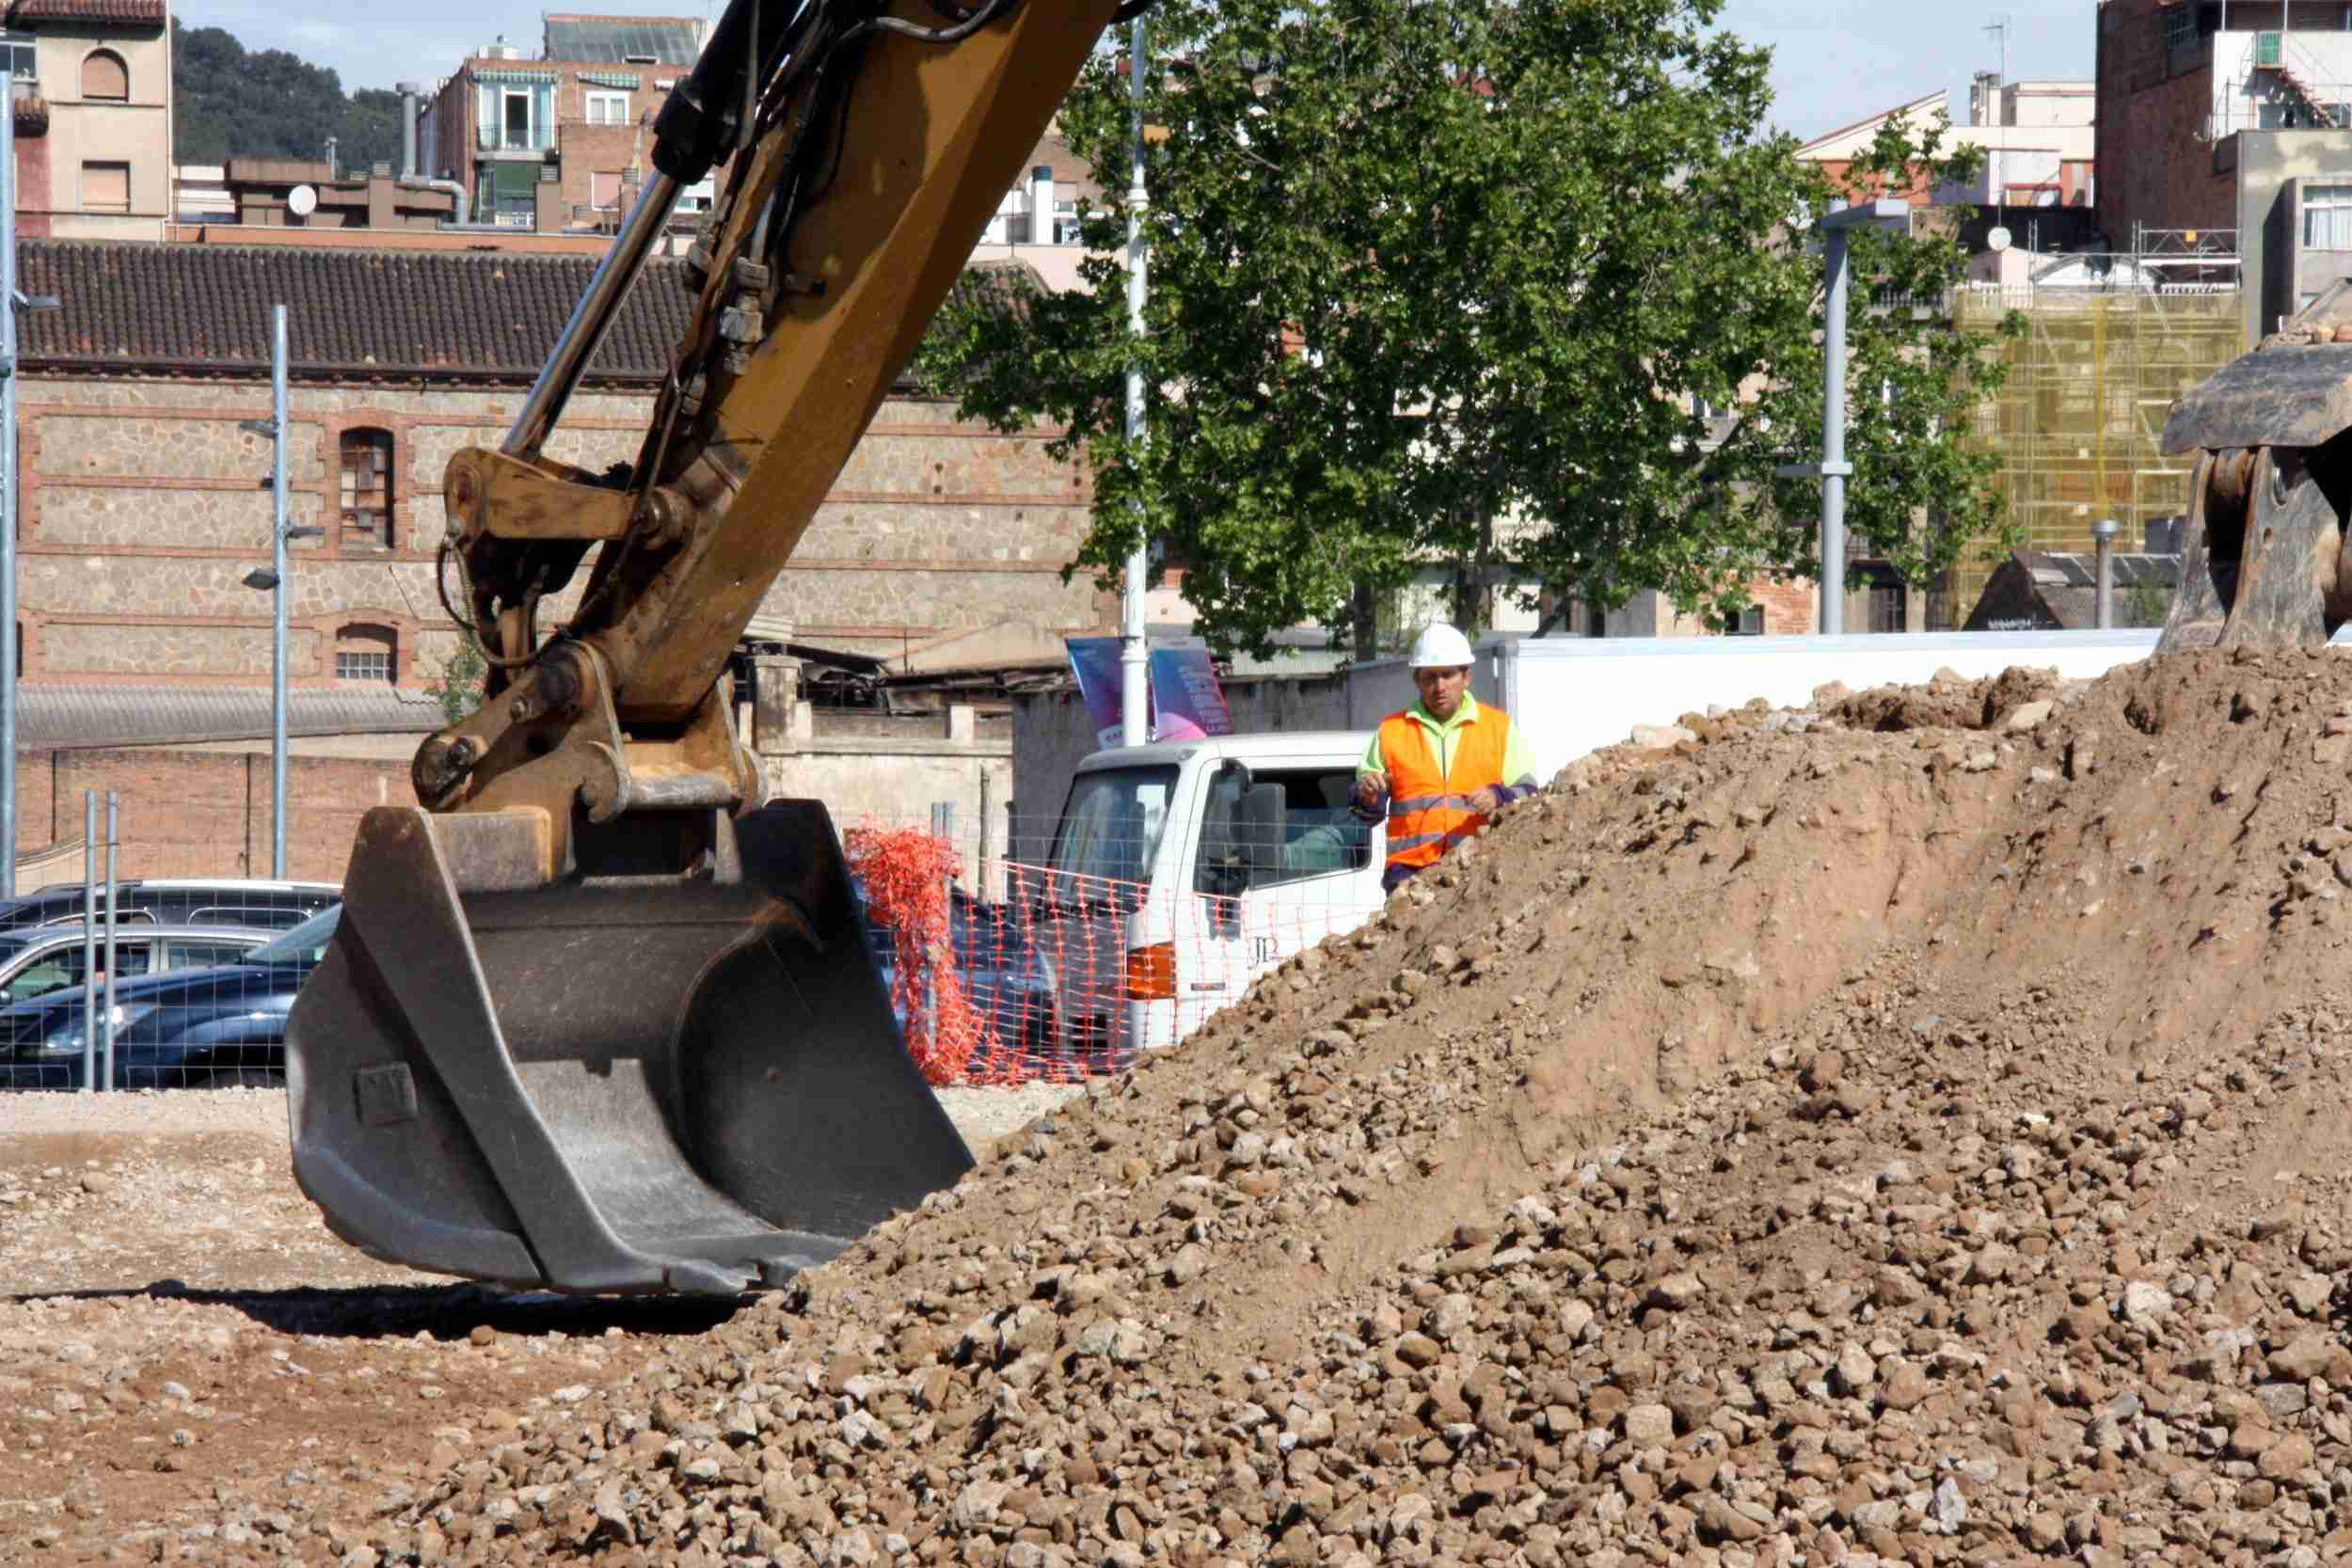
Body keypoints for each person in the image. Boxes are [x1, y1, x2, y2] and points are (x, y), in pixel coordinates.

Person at [1351, 623, 1539, 892]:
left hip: (1479, 873)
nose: (1439, 686)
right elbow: (1364, 813)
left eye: (1448, 675)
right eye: (1430, 677)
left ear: (1466, 677)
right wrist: (1369, 794)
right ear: (1417, 680)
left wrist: (1498, 796)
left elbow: (1530, 795)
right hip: (1409, 878)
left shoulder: (1499, 728)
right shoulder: (1391, 732)